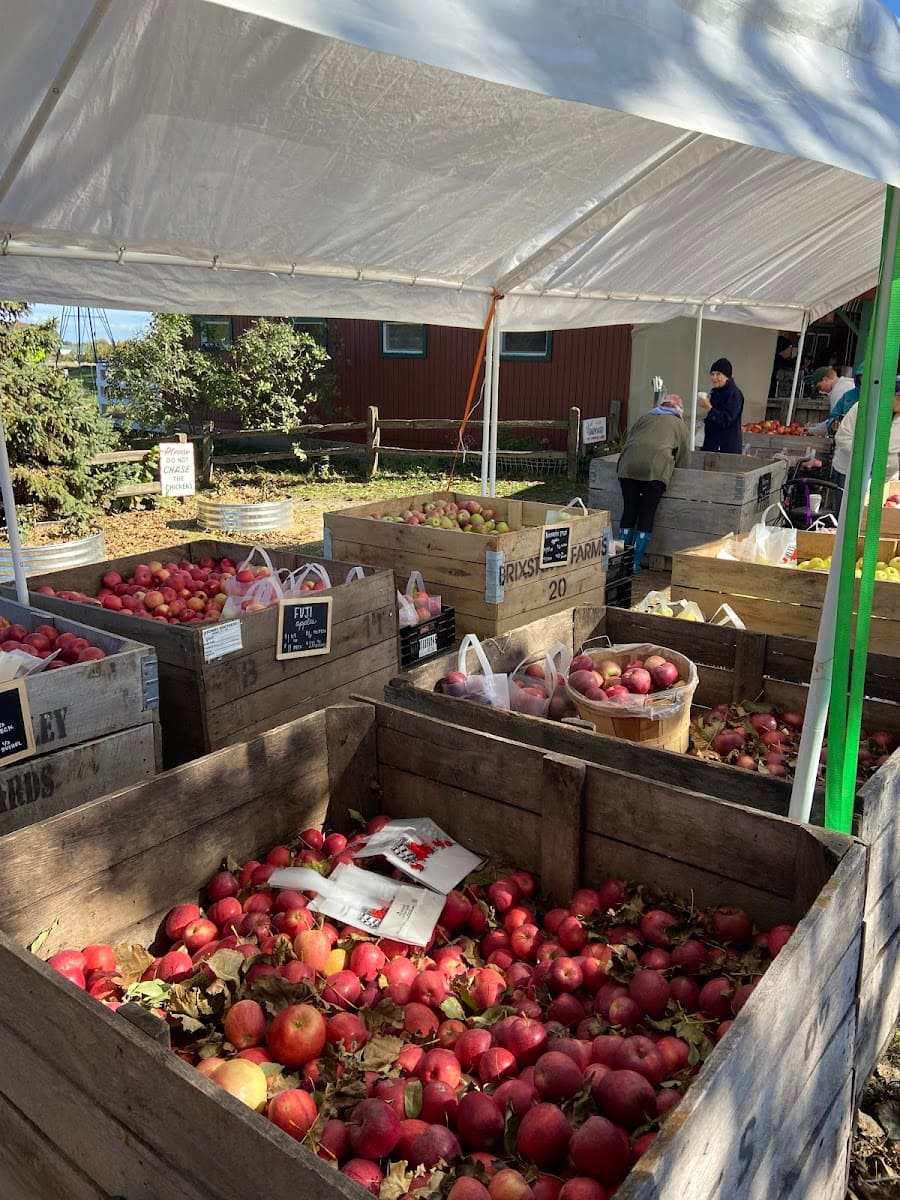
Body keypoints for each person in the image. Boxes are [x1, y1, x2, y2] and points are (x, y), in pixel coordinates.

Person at [617, 394, 689, 572]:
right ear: (678, 410)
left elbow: (630, 441)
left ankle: (621, 561)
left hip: (628, 467)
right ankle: (635, 562)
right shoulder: (679, 424)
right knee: (647, 512)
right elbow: (683, 454)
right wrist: (678, 470)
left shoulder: (645, 417)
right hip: (655, 469)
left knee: (629, 509)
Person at [831, 377, 900, 491]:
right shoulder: (862, 408)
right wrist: (871, 458)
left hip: (887, 481)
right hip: (852, 474)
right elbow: (843, 438)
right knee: (845, 508)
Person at [697, 358, 744, 454]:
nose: (714, 377)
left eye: (718, 374)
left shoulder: (733, 394)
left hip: (725, 449)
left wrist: (708, 407)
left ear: (727, 376)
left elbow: (725, 420)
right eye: (712, 374)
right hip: (712, 446)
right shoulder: (716, 392)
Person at [807, 363, 862, 437]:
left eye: (819, 387)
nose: (820, 391)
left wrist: (811, 430)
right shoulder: (846, 382)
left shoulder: (838, 391)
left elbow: (835, 421)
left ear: (825, 379)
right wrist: (816, 425)